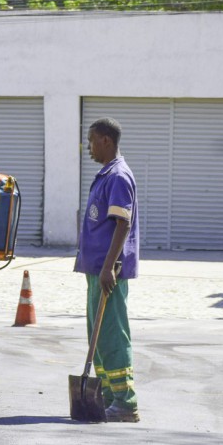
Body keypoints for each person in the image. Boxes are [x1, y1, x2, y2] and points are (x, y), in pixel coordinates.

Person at [76, 116, 140, 422]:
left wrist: (108, 267)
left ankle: (125, 403)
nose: (88, 147)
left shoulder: (117, 176)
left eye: (91, 141)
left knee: (112, 334)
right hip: (98, 270)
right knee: (99, 334)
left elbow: (122, 223)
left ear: (106, 140)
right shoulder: (106, 174)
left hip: (108, 272)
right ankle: (110, 396)